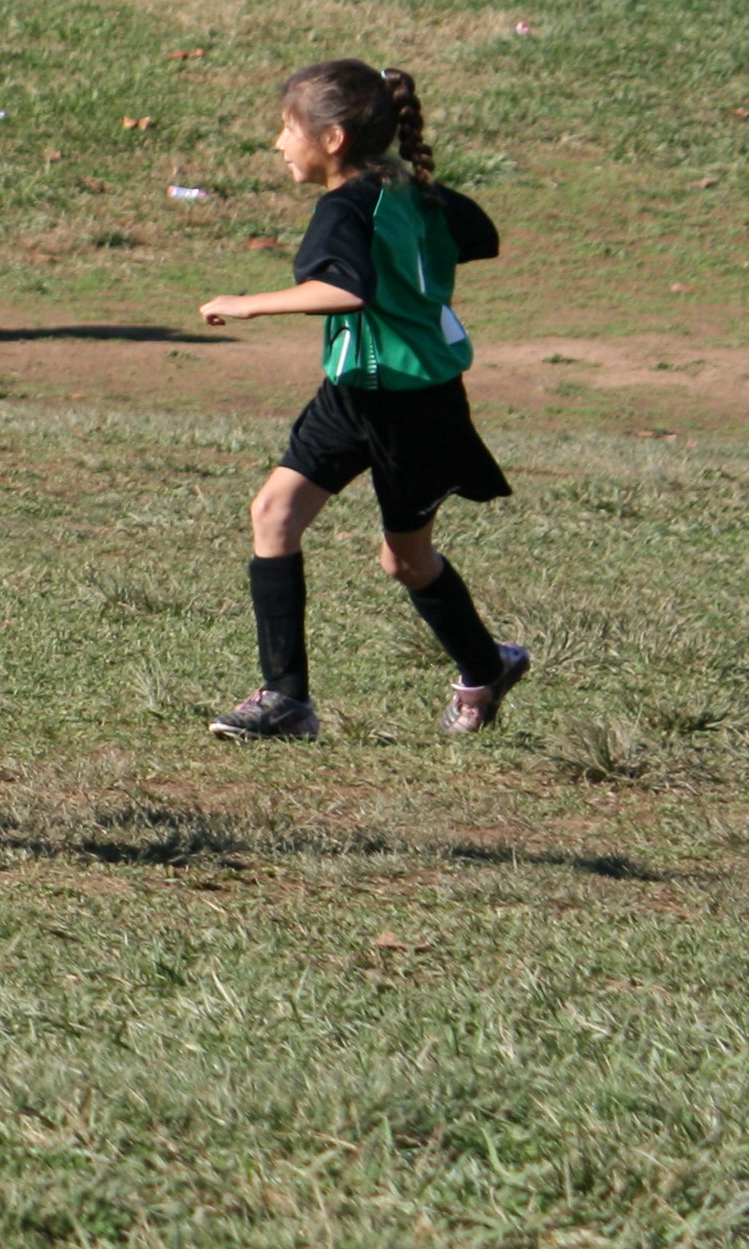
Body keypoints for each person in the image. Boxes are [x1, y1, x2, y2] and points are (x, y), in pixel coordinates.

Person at [197, 60, 528, 742]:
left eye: (287, 129)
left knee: (404, 560)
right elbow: (480, 236)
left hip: (416, 405)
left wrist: (247, 304)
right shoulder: (410, 191)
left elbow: (347, 289)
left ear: (333, 138)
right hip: (351, 392)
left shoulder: (347, 206)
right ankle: (285, 700)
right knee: (273, 513)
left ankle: (486, 666)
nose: (279, 144)